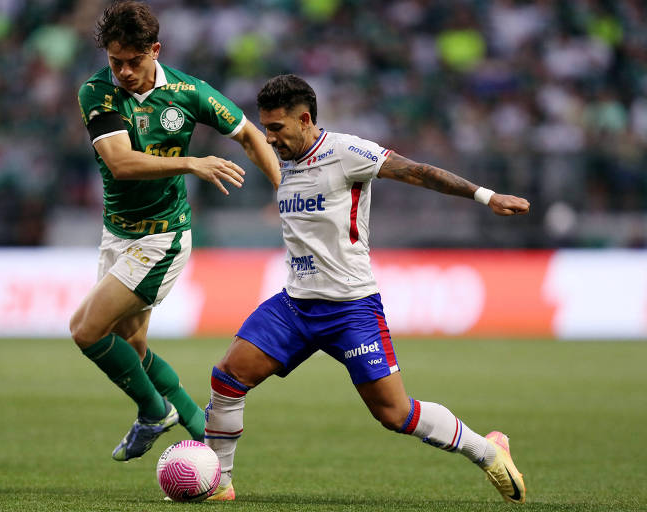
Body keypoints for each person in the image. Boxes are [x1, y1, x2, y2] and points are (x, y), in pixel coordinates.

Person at [203, 74, 530, 503]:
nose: (270, 138)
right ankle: (217, 483)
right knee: (227, 378)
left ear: (305, 120)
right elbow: (256, 146)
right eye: (265, 128)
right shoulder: (284, 159)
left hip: (350, 308)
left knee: (395, 414)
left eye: (277, 128)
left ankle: (487, 450)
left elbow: (417, 171)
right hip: (295, 305)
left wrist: (486, 197)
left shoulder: (345, 151)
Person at [70, 1, 279, 462]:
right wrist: (191, 162)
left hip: (162, 237)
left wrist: (285, 191)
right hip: (118, 233)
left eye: (133, 61)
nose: (123, 71)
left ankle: (152, 411)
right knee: (132, 343)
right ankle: (203, 432)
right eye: (115, 61)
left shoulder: (189, 92)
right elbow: (121, 164)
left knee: (86, 331)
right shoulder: (97, 92)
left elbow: (249, 134)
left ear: (155, 50)